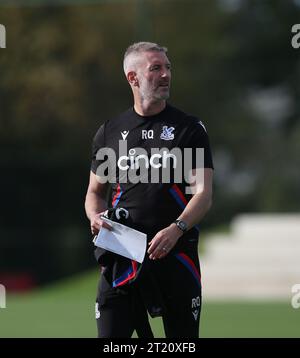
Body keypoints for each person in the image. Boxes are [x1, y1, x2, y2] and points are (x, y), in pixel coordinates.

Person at [84, 42, 214, 338]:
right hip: (122, 255)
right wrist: (95, 216)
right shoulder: (110, 132)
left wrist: (177, 228)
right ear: (133, 77)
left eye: (168, 67)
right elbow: (95, 193)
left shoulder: (188, 129)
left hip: (175, 255)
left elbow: (203, 194)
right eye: (156, 68)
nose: (166, 74)